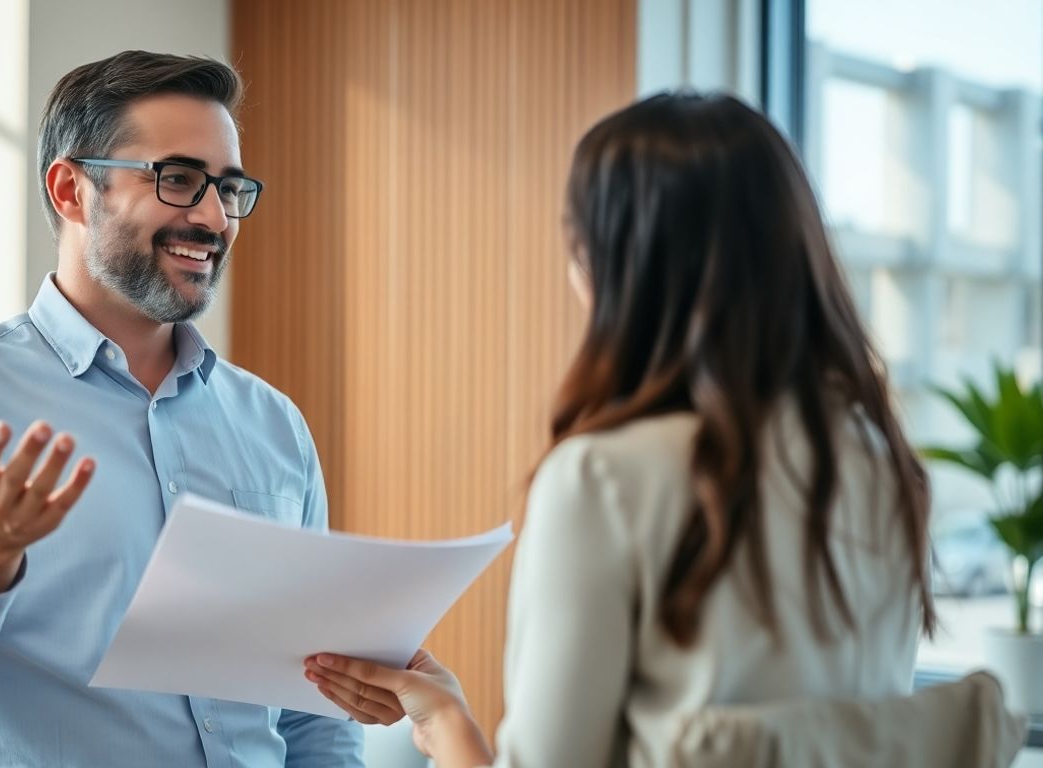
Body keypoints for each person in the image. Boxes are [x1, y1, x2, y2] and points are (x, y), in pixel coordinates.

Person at [303, 92, 936, 767]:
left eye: (578, 248)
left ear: (618, 268)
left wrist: (451, 730)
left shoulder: (603, 478)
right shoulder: (885, 466)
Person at [0, 50, 363, 767]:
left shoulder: (273, 426)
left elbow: (316, 712)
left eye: (229, 188)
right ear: (70, 190)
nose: (214, 217)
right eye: (178, 180)